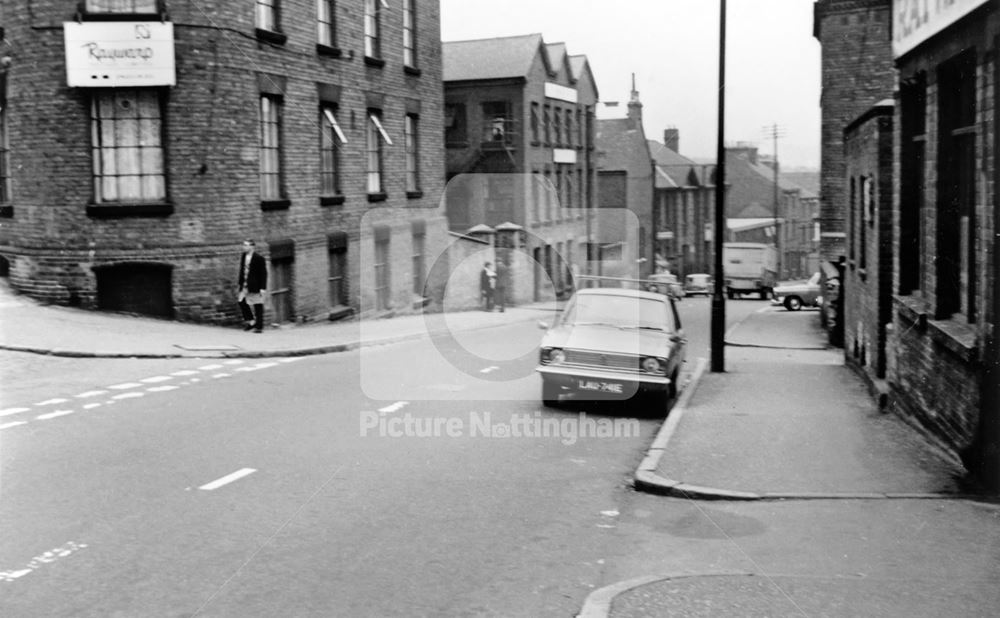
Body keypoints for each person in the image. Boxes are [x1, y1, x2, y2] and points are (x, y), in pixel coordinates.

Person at [236, 239, 267, 333]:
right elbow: (242, 270)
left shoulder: (259, 258)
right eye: (244, 245)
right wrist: (240, 283)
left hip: (255, 285)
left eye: (246, 245)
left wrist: (262, 287)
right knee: (241, 301)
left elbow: (263, 273)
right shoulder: (243, 256)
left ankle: (259, 326)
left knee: (258, 305)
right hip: (245, 284)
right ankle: (252, 322)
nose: (244, 247)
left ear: (252, 247)